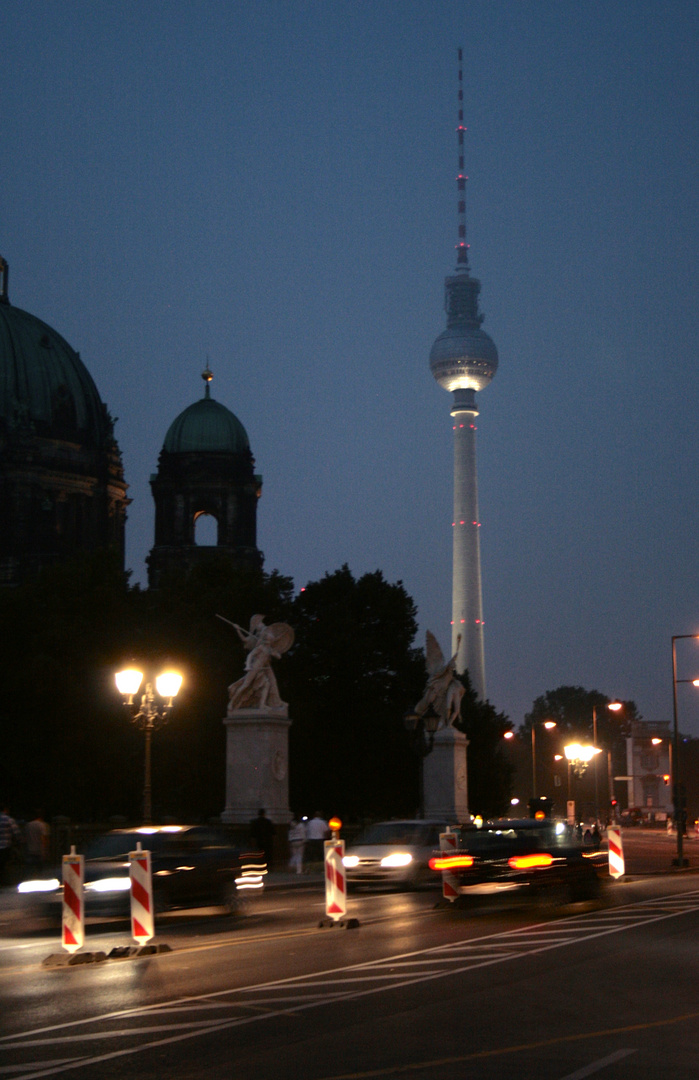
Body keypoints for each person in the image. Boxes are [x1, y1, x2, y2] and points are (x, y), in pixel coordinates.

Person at [0, 806, 21, 885]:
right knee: (5, 865)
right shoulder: (9, 819)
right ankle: (5, 882)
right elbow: (16, 833)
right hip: (6, 846)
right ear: (5, 810)